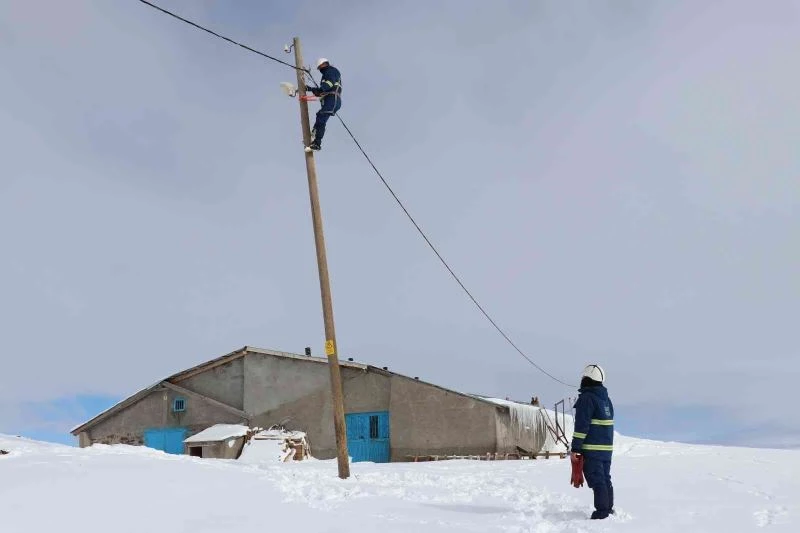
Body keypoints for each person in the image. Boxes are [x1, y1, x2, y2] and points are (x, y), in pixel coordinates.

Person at [571, 364, 615, 519]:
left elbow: (581, 426)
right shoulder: (606, 400)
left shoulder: (587, 398)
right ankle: (608, 509)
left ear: (588, 377)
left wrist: (575, 448)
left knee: (598, 480)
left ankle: (602, 513)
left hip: (592, 449)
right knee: (605, 478)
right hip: (606, 450)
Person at [306, 58, 342, 151]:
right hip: (329, 99)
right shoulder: (325, 75)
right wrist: (311, 89)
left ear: (324, 64)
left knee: (321, 117)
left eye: (320, 67)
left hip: (332, 99)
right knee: (320, 115)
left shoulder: (331, 71)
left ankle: (317, 143)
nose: (319, 69)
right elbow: (321, 91)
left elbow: (329, 84)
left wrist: (321, 89)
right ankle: (315, 133)